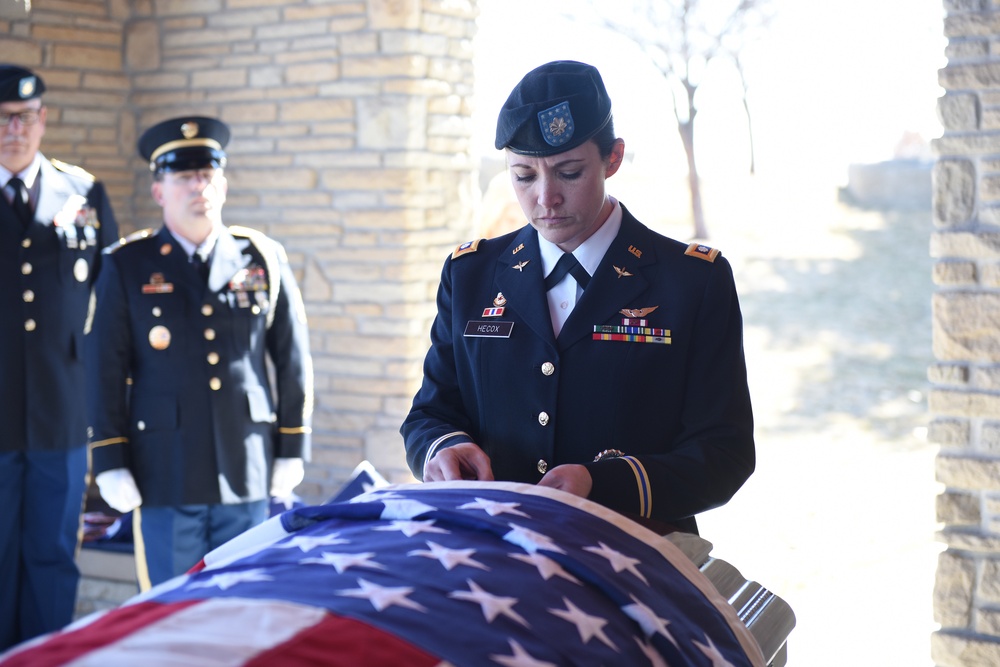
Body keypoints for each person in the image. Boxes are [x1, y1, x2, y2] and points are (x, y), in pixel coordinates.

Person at [401, 60, 755, 535]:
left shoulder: (691, 282)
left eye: (568, 172)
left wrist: (603, 482)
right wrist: (443, 447)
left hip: (632, 556)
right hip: (490, 552)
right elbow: (430, 412)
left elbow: (724, 453)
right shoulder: (471, 275)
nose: (546, 198)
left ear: (613, 159)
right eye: (524, 176)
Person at [86, 115, 313, 589]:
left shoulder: (261, 258)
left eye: (207, 174)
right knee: (172, 609)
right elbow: (104, 370)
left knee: (245, 604)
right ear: (159, 191)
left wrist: (292, 446)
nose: (198, 186)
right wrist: (110, 459)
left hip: (246, 463)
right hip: (164, 469)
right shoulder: (128, 265)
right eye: (184, 176)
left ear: (223, 184)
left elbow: (291, 358)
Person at [0, 65, 120, 649]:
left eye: (23, 117)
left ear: (42, 119)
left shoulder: (83, 192)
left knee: (52, 552)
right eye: (1, 119)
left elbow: (110, 295)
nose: (13, 129)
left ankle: (44, 658)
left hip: (62, 408)